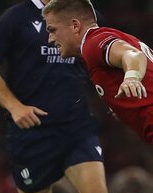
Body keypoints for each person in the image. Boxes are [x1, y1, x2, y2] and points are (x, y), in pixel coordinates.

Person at [0, 0, 128, 193]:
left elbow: (105, 62)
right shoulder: (16, 17)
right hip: (32, 132)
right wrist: (15, 107)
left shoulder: (88, 15)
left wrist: (115, 98)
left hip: (77, 127)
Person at [42, 0, 153, 145]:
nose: (50, 39)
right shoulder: (110, 37)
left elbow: (133, 54)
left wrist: (132, 78)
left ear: (75, 26)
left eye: (52, 30)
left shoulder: (93, 43)